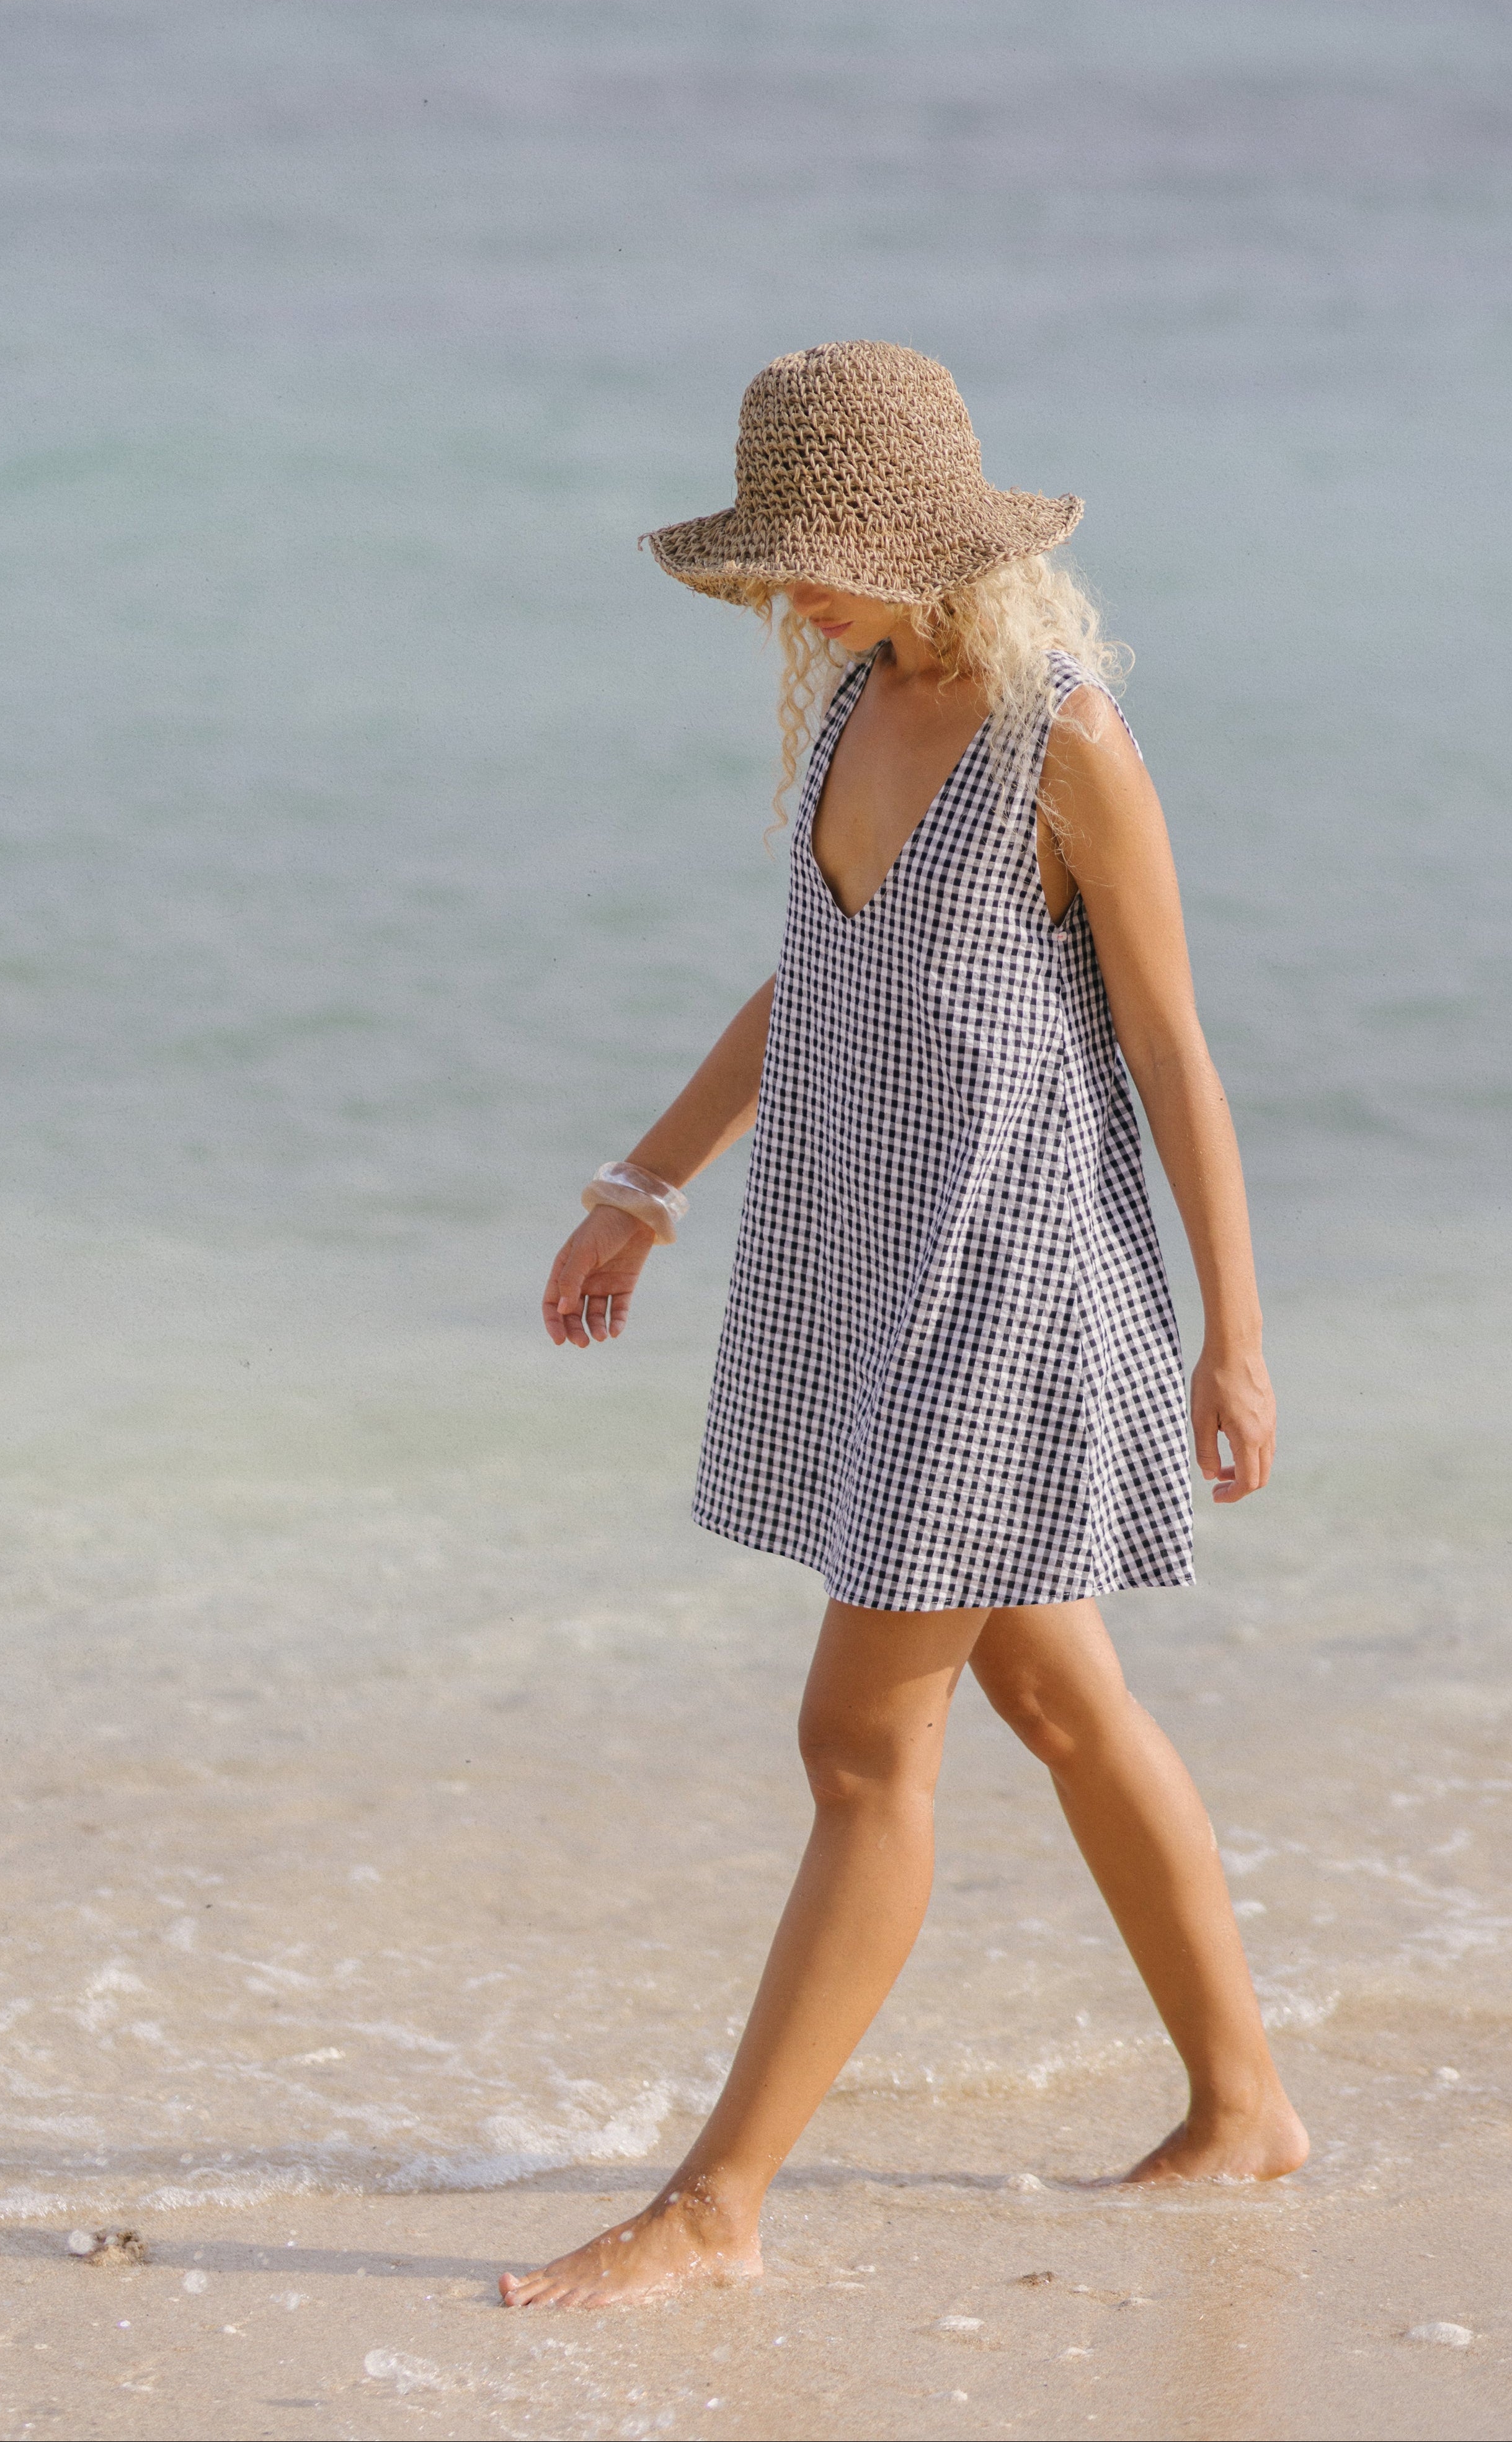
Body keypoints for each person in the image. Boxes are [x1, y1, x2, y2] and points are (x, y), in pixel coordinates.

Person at [502, 341, 1305, 2311]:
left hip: (1017, 1282)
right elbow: (817, 983)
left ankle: (717, 2203)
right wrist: (642, 1186)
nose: (791, 599)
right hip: (871, 1268)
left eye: (817, 559)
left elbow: (1176, 1047)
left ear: (921, 540)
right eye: (773, 567)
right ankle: (1248, 2107)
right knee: (1054, 1694)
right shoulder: (862, 698)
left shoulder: (1066, 740)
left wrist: (1237, 1335)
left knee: (860, 1735)